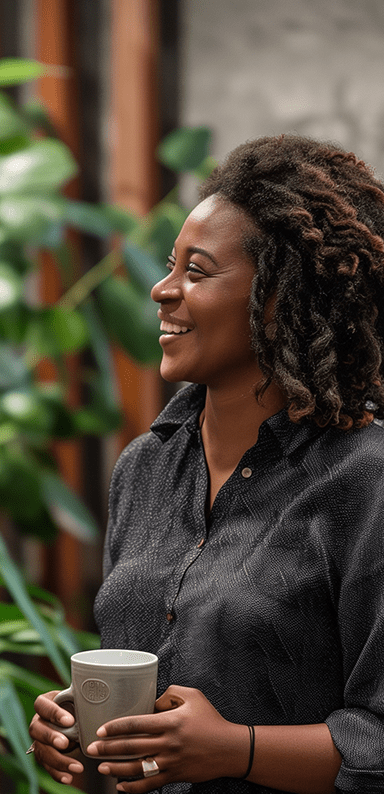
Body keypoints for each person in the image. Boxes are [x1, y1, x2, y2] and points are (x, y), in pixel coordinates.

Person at [29, 134, 384, 794]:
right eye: (171, 266)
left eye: (197, 272)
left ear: (278, 298)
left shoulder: (366, 482)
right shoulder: (144, 468)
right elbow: (144, 701)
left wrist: (236, 751)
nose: (162, 291)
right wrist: (82, 727)